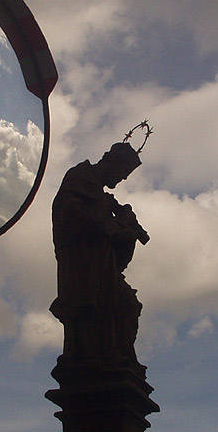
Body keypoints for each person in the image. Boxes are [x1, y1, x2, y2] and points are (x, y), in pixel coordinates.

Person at [50, 142, 148, 374]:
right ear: (109, 160)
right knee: (91, 305)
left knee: (127, 304)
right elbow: (68, 211)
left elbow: (113, 234)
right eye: (121, 172)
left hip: (103, 262)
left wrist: (126, 229)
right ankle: (93, 355)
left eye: (125, 175)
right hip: (83, 260)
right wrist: (108, 226)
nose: (122, 179)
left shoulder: (104, 197)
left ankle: (121, 353)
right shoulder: (80, 176)